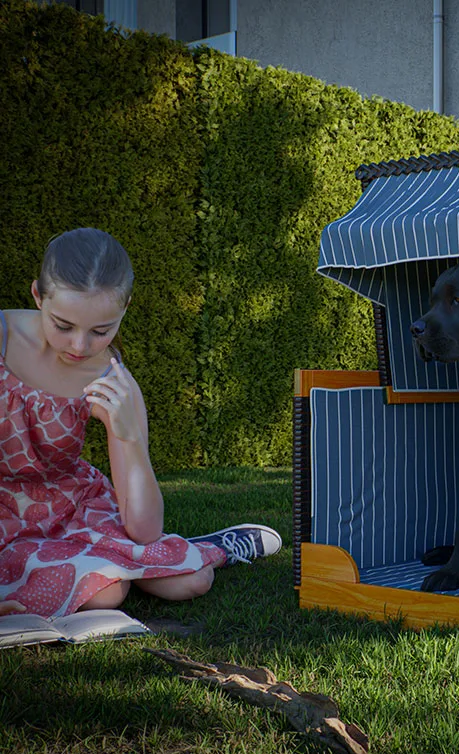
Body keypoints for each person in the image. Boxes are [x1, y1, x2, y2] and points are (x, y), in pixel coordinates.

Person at [0, 228, 281, 618]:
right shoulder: (4, 336)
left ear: (125, 308)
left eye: (101, 331)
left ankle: (208, 549)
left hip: (70, 511)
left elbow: (143, 528)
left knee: (192, 582)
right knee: (106, 593)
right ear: (37, 295)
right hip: (5, 518)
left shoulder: (113, 379)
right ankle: (150, 559)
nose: (80, 346)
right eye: (63, 325)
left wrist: (129, 436)